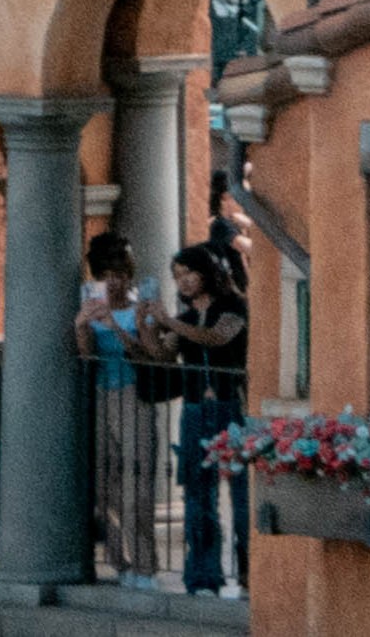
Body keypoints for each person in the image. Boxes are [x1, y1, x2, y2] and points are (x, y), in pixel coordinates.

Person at [150, 246, 249, 595]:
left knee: (242, 495)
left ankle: (250, 571)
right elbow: (162, 354)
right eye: (177, 275)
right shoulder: (186, 318)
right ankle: (204, 574)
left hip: (231, 408)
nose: (183, 280)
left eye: (188, 272)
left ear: (205, 272)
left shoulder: (233, 308)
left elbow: (216, 337)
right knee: (198, 495)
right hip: (195, 410)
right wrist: (143, 326)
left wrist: (169, 321)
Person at [78, 237, 158, 579]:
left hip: (133, 394)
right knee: (104, 485)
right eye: (106, 275)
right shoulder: (90, 303)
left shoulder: (139, 308)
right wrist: (82, 324)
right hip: (100, 393)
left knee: (136, 484)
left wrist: (116, 327)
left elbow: (148, 355)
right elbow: (86, 355)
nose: (113, 281)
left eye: (120, 274)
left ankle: (144, 566)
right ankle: (118, 560)